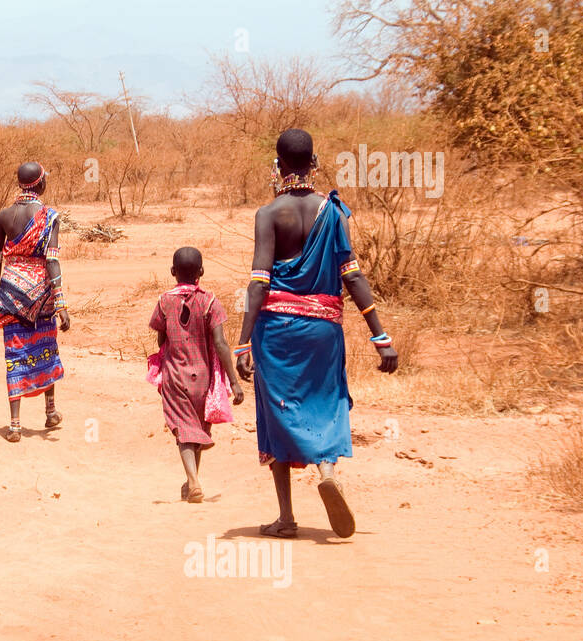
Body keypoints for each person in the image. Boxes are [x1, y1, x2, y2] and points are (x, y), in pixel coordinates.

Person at [234, 129, 398, 539]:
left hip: (276, 332)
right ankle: (326, 471)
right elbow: (352, 276)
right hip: (324, 330)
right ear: (315, 162)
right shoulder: (333, 212)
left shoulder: (269, 214)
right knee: (325, 402)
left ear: (277, 165)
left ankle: (286, 517)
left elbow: (259, 282)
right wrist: (381, 337)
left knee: (276, 414)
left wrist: (242, 341)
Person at [149, 246, 244, 503]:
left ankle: (192, 480)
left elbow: (160, 339)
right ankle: (193, 481)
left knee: (184, 429)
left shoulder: (164, 301)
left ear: (172, 272)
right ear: (201, 271)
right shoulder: (210, 301)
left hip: (174, 375)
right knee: (198, 429)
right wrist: (233, 382)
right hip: (203, 377)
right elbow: (221, 344)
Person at [0, 162, 70, 442]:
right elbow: (51, 260)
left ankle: (14, 425)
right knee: (46, 347)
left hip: (10, 292)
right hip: (41, 294)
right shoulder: (49, 216)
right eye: (45, 178)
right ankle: (50, 411)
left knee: (15, 354)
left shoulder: (4, 215)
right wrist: (60, 303)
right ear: (38, 183)